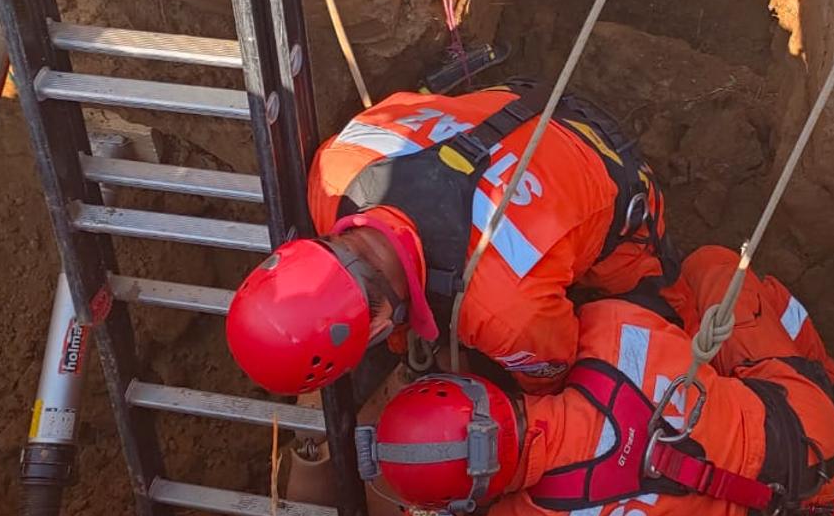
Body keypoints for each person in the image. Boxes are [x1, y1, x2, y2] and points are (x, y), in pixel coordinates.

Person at [359, 247, 834, 516]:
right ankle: (827, 380)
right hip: (810, 430)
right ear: (480, 390)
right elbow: (654, 305)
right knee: (712, 267)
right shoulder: (610, 332)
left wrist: (422, 512)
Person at [224, 79, 672, 396]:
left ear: (377, 328)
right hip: (517, 96)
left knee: (654, 302)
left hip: (611, 169)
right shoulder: (332, 171)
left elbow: (550, 376)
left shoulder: (504, 315)